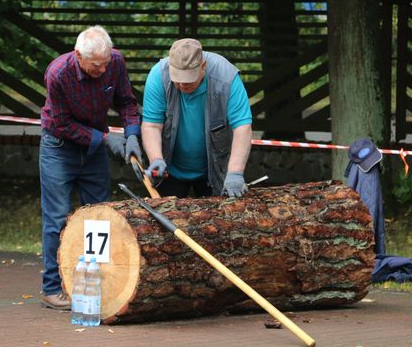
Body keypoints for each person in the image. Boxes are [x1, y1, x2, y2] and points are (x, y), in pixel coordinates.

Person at [39, 26, 142, 310]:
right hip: (59, 147)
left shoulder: (115, 62)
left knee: (98, 217)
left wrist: (132, 134)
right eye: (95, 65)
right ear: (78, 56)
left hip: (95, 147)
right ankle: (51, 288)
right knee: (57, 217)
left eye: (105, 63)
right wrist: (106, 139)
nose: (102, 69)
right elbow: (61, 124)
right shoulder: (58, 73)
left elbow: (126, 102)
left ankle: (97, 284)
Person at [142, 38, 252, 198]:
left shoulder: (227, 78)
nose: (181, 85)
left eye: (188, 80)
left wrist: (235, 172)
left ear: (203, 66)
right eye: (177, 79)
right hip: (171, 168)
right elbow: (151, 125)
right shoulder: (158, 75)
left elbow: (242, 127)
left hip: (215, 168)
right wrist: (156, 159)